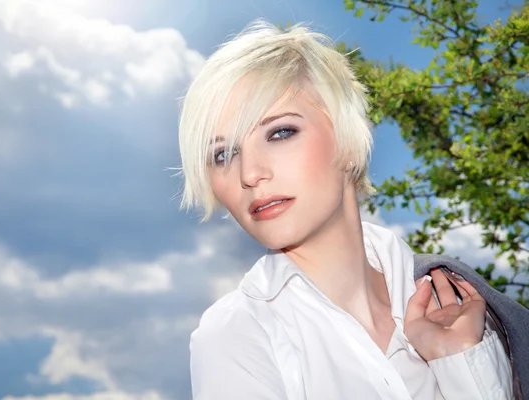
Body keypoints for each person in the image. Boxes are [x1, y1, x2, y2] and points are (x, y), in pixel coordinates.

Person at [177, 20, 518, 399]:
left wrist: (462, 362)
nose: (250, 174)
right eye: (222, 154)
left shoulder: (462, 304)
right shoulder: (235, 335)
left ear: (348, 140)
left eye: (280, 132)